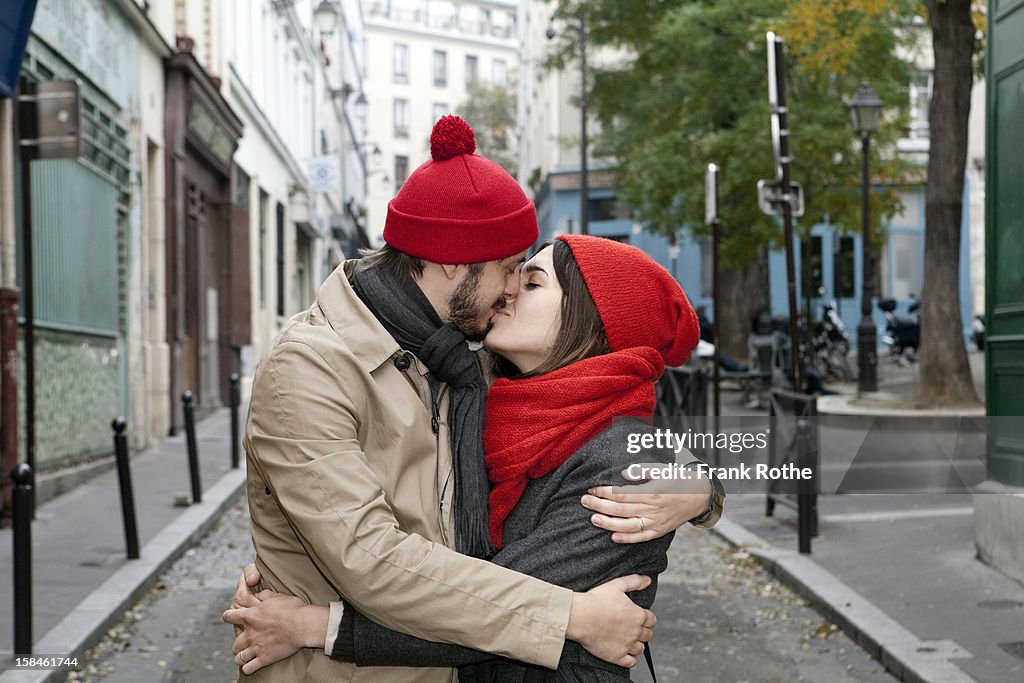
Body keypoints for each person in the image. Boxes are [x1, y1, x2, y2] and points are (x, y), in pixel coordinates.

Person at [226, 115, 723, 682]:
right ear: (453, 262)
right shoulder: (316, 369)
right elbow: (374, 562)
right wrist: (574, 616)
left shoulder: (465, 362)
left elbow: (637, 447)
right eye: (512, 270)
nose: (511, 292)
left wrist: (697, 487)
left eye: (529, 280)